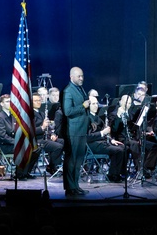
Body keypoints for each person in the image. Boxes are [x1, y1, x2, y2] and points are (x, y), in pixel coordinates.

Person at [0, 93, 40, 179]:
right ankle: (18, 174)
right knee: (24, 149)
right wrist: (17, 142)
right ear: (1, 104)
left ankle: (26, 172)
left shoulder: (13, 116)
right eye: (7, 102)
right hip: (6, 145)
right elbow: (2, 136)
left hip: (15, 143)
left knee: (36, 149)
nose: (10, 103)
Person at [61, 66, 90, 196]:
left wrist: (91, 121)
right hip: (73, 131)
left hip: (82, 129)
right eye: (79, 76)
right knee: (71, 159)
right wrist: (82, 106)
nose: (81, 78)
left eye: (82, 76)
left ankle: (75, 185)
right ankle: (70, 186)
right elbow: (68, 111)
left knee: (78, 160)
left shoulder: (80, 88)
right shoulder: (68, 91)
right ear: (71, 77)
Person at [85, 96, 126, 183]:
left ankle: (118, 173)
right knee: (118, 151)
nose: (96, 106)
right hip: (92, 144)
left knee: (123, 147)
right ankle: (113, 175)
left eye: (96, 103)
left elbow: (106, 132)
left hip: (101, 142)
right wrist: (102, 133)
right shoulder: (86, 118)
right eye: (93, 104)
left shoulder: (97, 118)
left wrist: (111, 140)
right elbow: (87, 137)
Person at [32, 91, 63, 174]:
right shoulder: (30, 114)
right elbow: (30, 130)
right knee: (58, 146)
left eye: (39, 100)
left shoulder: (41, 113)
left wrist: (52, 134)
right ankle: (51, 166)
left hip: (46, 138)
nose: (39, 102)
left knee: (64, 142)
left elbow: (48, 127)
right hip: (37, 140)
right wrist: (42, 127)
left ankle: (53, 165)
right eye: (36, 101)